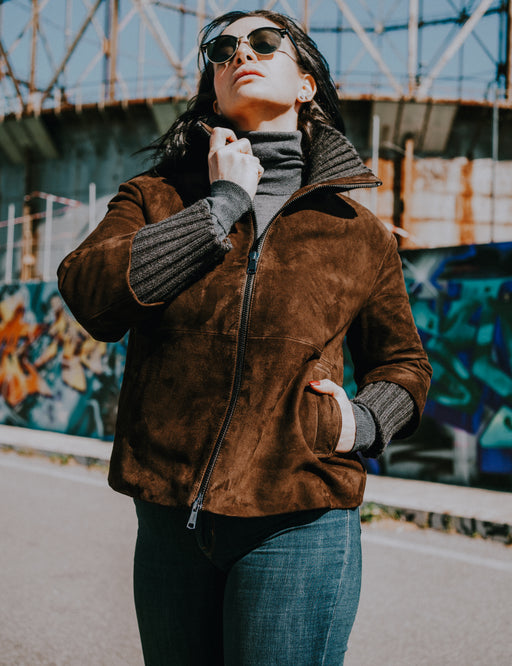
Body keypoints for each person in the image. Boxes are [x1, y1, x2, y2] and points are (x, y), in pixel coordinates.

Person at [58, 9, 432, 666]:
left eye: (264, 43)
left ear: (306, 83)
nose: (240, 54)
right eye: (221, 48)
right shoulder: (155, 198)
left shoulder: (355, 230)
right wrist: (219, 208)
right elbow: (92, 295)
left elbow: (403, 363)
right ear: (211, 82)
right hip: (170, 518)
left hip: (299, 514)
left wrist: (362, 424)